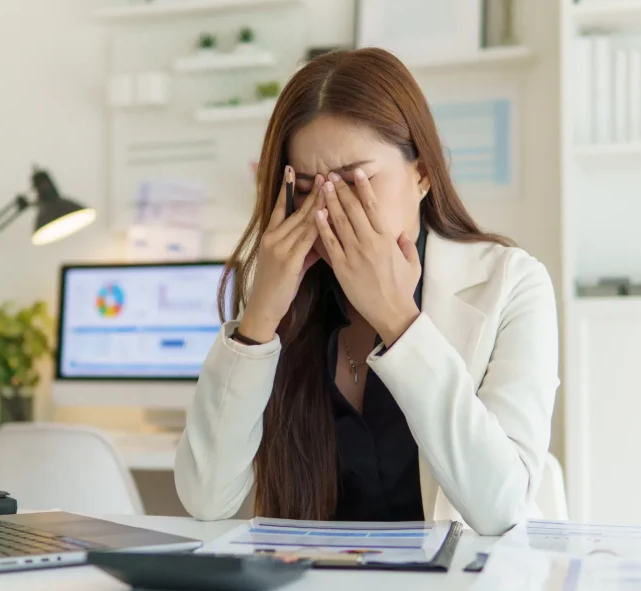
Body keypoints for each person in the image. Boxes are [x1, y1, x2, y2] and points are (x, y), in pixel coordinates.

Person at [174, 48, 559, 536]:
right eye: (308, 187)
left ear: (421, 174)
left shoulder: (512, 283)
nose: (330, 208)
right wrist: (259, 320)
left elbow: (500, 506)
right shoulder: (280, 295)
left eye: (355, 181)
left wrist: (399, 321)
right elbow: (206, 500)